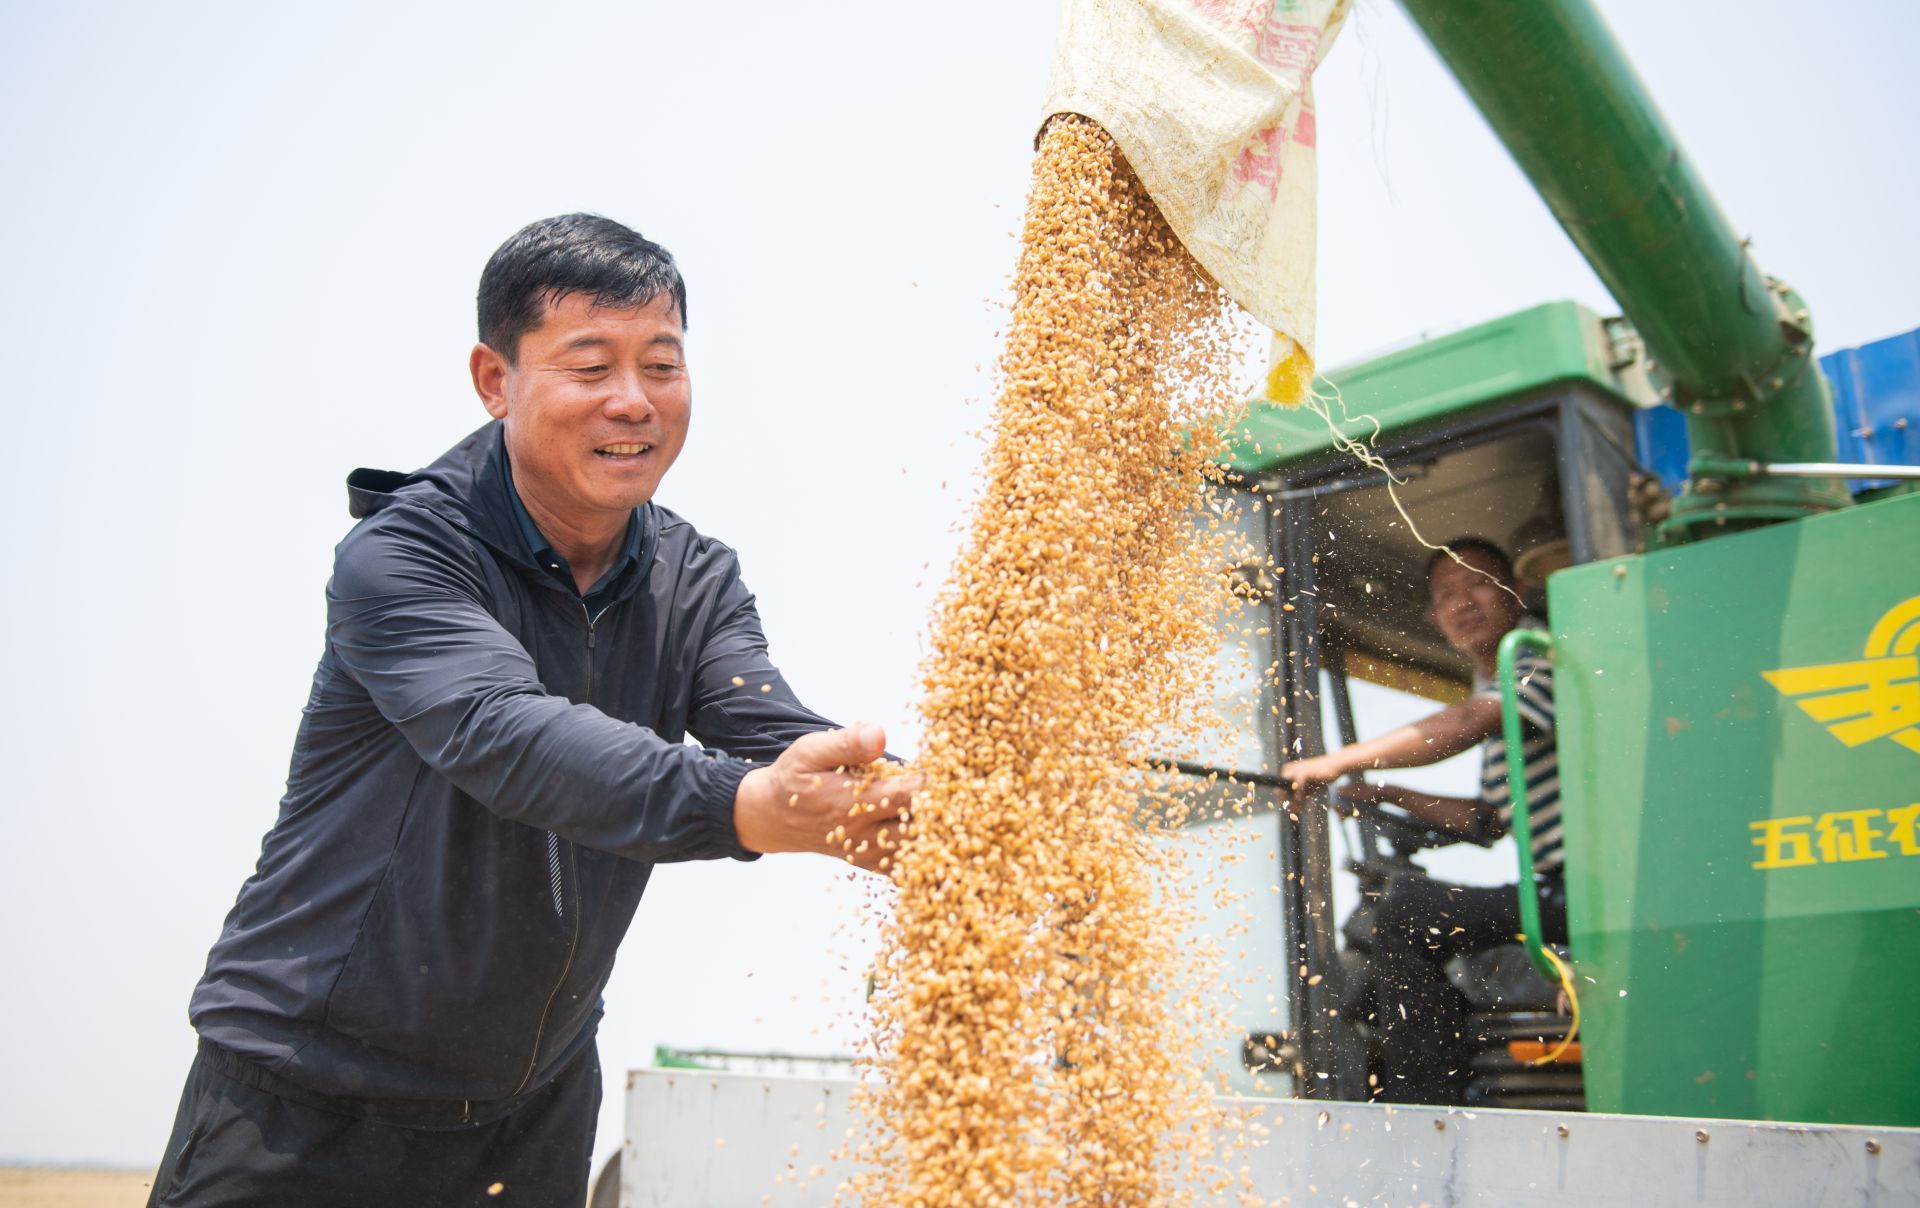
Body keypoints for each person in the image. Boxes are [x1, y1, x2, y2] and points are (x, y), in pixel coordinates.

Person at [147, 214, 911, 1207]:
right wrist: (745, 808)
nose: (633, 400)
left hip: (528, 1111)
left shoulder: (693, 578)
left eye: (662, 365)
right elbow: (507, 734)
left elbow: (778, 735)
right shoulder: (406, 556)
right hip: (306, 1101)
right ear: (494, 379)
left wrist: (924, 805)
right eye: (590, 367)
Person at [1279, 538, 1565, 1105]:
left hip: (1582, 893)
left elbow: (1463, 725)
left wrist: (1336, 761)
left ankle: (1427, 1106)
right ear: (1435, 617)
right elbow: (1487, 820)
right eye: (1447, 594)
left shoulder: (1541, 656)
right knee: (1415, 912)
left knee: (1408, 916)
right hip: (1557, 889)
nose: (1465, 602)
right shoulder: (1497, 683)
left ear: (1518, 591)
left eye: (1479, 583)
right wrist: (1387, 793)